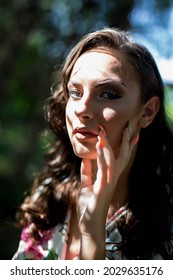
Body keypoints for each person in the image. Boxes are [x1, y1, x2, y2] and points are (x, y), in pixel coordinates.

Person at [13, 27, 173, 260]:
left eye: (108, 94)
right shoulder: (49, 202)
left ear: (147, 112)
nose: (82, 109)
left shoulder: (165, 230)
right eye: (75, 93)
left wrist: (92, 236)